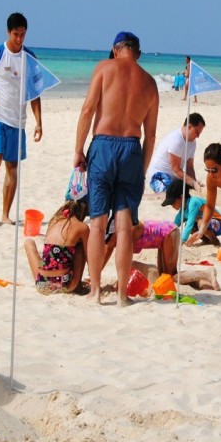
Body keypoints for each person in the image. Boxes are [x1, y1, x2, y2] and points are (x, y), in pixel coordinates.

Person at [74, 30, 158, 306]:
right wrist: (141, 170)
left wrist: (78, 150)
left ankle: (96, 292)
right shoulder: (150, 82)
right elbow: (151, 135)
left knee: (97, 224)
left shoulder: (104, 68)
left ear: (115, 49)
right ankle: (122, 295)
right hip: (132, 149)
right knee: (123, 228)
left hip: (103, 146)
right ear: (138, 53)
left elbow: (88, 110)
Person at [0, 12, 45, 226]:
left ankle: (6, 214)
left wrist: (39, 122)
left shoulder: (30, 58)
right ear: (8, 32)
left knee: (12, 167)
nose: (19, 38)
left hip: (18, 120)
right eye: (16, 34)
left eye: (23, 34)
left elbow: (34, 93)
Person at [23, 198, 90, 295]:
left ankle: (46, 275)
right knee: (80, 246)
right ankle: (78, 285)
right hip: (65, 284)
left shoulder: (53, 221)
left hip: (42, 284)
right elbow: (89, 256)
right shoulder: (82, 227)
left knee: (29, 243)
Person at [146, 113, 204, 193]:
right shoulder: (177, 140)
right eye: (197, 132)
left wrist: (194, 182)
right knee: (172, 194)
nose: (198, 136)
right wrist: (193, 183)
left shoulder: (193, 143)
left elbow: (189, 167)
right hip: (158, 175)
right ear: (189, 127)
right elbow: (176, 170)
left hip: (174, 177)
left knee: (186, 192)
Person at [164, 178, 221, 246]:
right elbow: (174, 225)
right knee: (191, 226)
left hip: (219, 224)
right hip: (206, 226)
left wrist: (182, 240)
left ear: (181, 198)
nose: (172, 205)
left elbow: (190, 223)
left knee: (199, 222)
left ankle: (214, 240)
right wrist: (165, 235)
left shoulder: (194, 202)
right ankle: (207, 240)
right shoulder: (183, 210)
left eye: (172, 202)